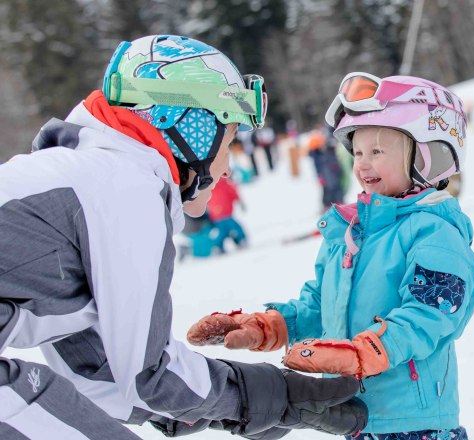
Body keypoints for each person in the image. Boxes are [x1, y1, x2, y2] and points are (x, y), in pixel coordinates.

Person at [0, 35, 367, 440]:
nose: (227, 169)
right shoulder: (123, 188)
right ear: (191, 129)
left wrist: (237, 408)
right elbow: (151, 374)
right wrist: (270, 395)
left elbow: (93, 371)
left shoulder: (90, 179)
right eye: (228, 142)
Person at [186, 73, 474, 439]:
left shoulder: (433, 233)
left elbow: (430, 315)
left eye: (377, 151)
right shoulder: (350, 233)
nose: (363, 164)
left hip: (414, 425)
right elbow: (320, 305)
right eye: (357, 152)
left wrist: (364, 353)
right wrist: (272, 326)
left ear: (428, 154)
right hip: (354, 420)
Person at [208, 177, 248, 252]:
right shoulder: (225, 183)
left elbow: (205, 200)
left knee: (222, 231)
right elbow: (234, 193)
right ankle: (241, 239)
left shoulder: (208, 186)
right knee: (234, 228)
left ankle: (218, 246)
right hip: (226, 213)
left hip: (216, 215)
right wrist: (240, 202)